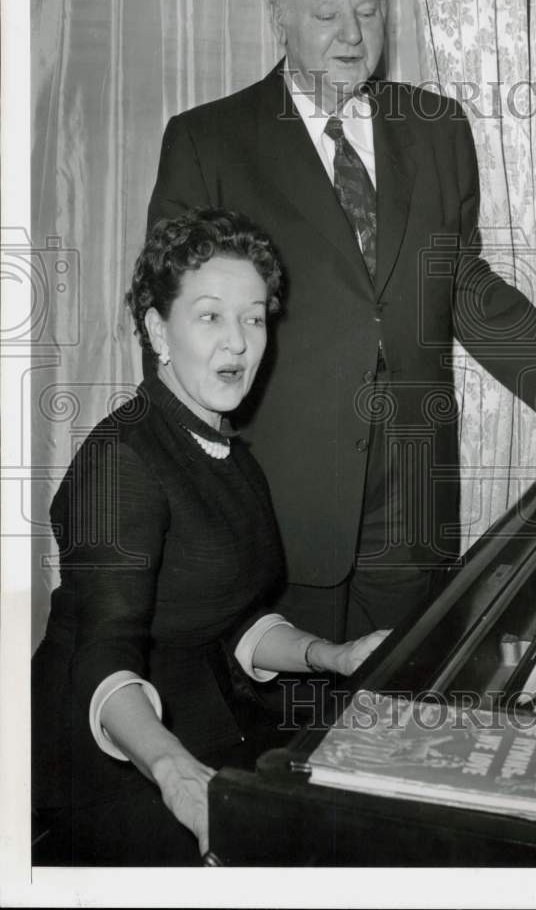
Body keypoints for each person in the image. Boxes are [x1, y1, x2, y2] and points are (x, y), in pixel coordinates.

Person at [146, 0, 536, 647]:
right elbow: (169, 317)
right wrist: (185, 481)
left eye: (368, 12)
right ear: (279, 20)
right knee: (282, 718)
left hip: (411, 492)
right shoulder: (208, 140)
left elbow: (456, 278)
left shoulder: (437, 128)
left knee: (393, 708)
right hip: (276, 490)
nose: (351, 35)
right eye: (326, 14)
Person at [31, 209, 388, 867]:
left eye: (252, 318)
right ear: (158, 331)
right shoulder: (124, 461)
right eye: (211, 316)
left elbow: (234, 618)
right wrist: (172, 770)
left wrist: (331, 656)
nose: (238, 342)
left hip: (206, 714)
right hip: (113, 748)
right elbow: (103, 654)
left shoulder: (223, 446)